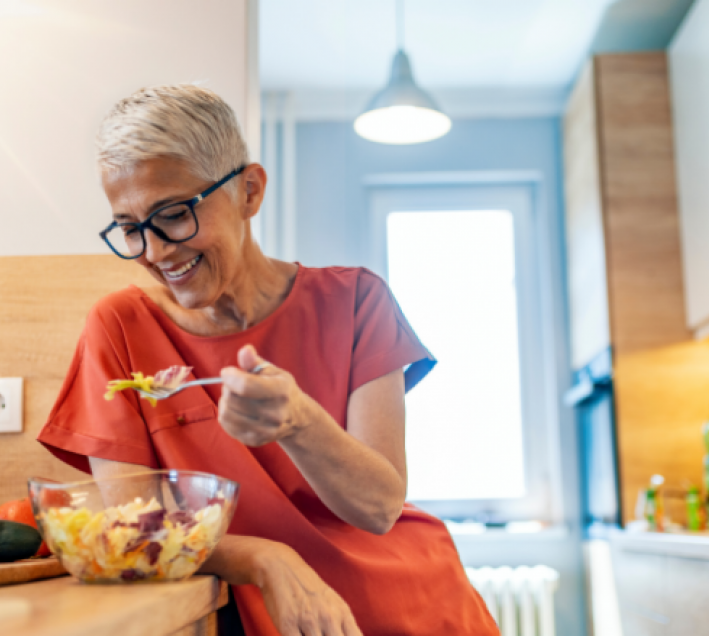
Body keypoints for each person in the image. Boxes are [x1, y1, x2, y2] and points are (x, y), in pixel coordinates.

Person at [38, 84, 499, 636]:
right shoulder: (119, 328)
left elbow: (378, 508)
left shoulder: (357, 301)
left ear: (249, 192)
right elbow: (138, 531)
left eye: (175, 215)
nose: (156, 252)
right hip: (271, 612)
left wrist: (299, 422)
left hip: (417, 602)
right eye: (131, 228)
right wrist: (263, 558)